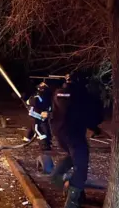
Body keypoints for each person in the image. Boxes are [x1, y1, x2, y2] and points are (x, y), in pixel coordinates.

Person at [50, 72, 96, 208]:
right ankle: (72, 202)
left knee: (73, 157)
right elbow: (88, 115)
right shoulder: (81, 95)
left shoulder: (58, 93)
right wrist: (95, 127)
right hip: (74, 134)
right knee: (81, 167)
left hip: (60, 134)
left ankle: (58, 178)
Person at [23, 82, 52, 150]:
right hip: (37, 116)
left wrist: (27, 101)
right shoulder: (46, 96)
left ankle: (44, 144)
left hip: (38, 116)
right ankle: (28, 139)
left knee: (38, 129)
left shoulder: (39, 96)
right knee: (36, 129)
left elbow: (31, 102)